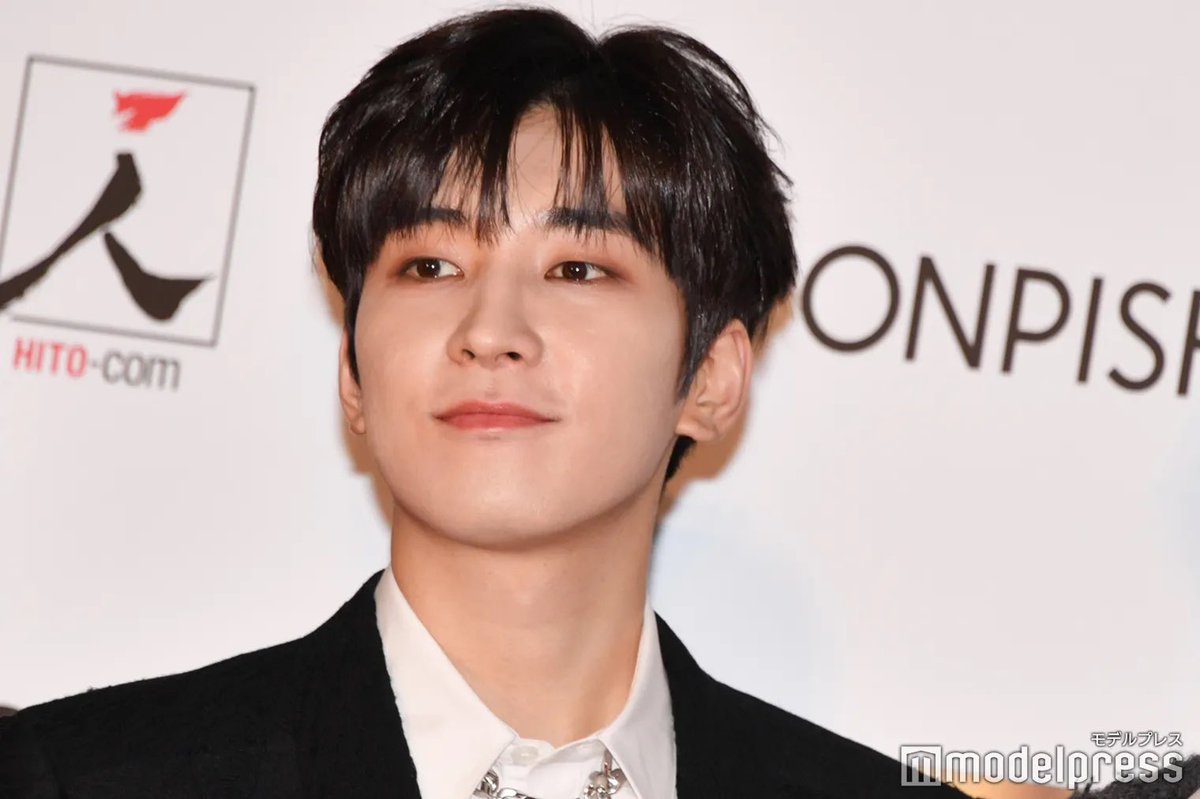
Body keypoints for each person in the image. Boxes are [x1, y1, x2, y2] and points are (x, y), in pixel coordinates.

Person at [0, 7, 971, 797]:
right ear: (353, 371)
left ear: (711, 378)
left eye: (578, 268)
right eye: (430, 264)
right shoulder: (82, 777)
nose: (490, 328)